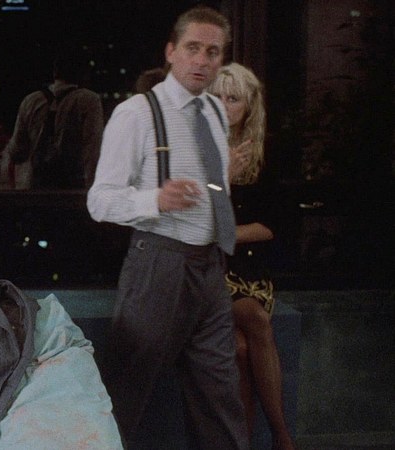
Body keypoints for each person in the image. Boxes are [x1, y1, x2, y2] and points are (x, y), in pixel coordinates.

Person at [87, 6, 248, 449]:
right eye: (193, 48)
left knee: (221, 395)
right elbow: (99, 200)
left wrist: (220, 186)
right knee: (126, 391)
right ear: (171, 51)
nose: (202, 60)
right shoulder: (137, 114)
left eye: (213, 52)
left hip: (210, 266)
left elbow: (211, 184)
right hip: (159, 263)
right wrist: (154, 200)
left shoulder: (214, 111)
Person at [209, 62, 296, 450]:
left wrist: (226, 235)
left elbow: (273, 226)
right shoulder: (196, 147)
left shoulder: (266, 153)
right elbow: (200, 220)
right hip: (209, 272)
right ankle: (282, 437)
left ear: (249, 106)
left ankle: (255, 440)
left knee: (244, 346)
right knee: (254, 322)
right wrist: (223, 178)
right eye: (217, 97)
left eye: (233, 99)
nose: (224, 105)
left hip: (250, 272)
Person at [6, 45, 104, 189]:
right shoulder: (89, 101)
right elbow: (93, 149)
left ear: (55, 72)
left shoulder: (31, 101)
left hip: (36, 186)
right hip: (71, 187)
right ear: (83, 73)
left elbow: (17, 151)